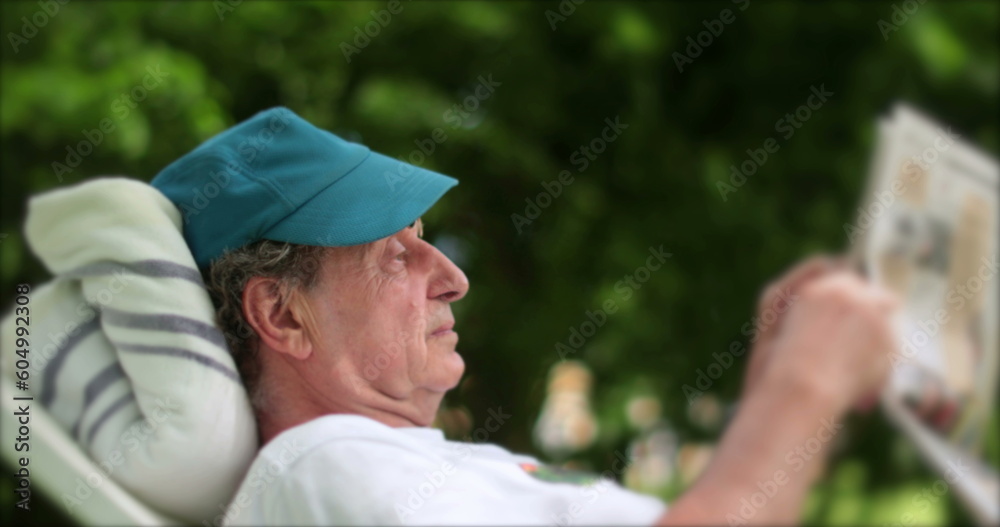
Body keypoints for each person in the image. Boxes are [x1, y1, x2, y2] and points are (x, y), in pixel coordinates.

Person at [151, 107, 899, 526]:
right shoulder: (326, 465)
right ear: (282, 317)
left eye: (427, 240)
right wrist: (805, 386)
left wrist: (780, 379)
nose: (452, 276)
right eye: (393, 253)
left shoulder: (401, 466)